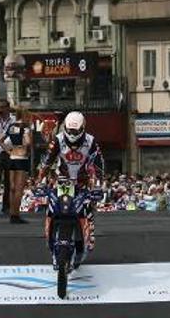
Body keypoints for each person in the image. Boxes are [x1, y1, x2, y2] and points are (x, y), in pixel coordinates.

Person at [38, 111, 104, 261]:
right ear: (65, 128)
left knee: (89, 204)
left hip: (83, 180)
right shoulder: (58, 139)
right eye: (70, 131)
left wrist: (99, 183)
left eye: (76, 131)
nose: (72, 135)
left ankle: (90, 231)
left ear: (82, 128)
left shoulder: (91, 141)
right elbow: (47, 161)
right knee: (54, 203)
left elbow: (99, 163)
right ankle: (50, 233)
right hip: (63, 179)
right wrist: (40, 180)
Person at [0, 107, 32, 224]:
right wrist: (25, 149)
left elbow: (0, 140)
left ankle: (12, 214)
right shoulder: (25, 128)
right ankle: (15, 215)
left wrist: (9, 150)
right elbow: (28, 142)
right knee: (19, 189)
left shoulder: (12, 127)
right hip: (22, 159)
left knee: (12, 188)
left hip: (12, 157)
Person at [0, 100, 15, 215]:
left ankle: (6, 206)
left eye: (2, 107)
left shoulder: (13, 121)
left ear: (8, 108)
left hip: (9, 152)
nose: (0, 110)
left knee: (8, 180)